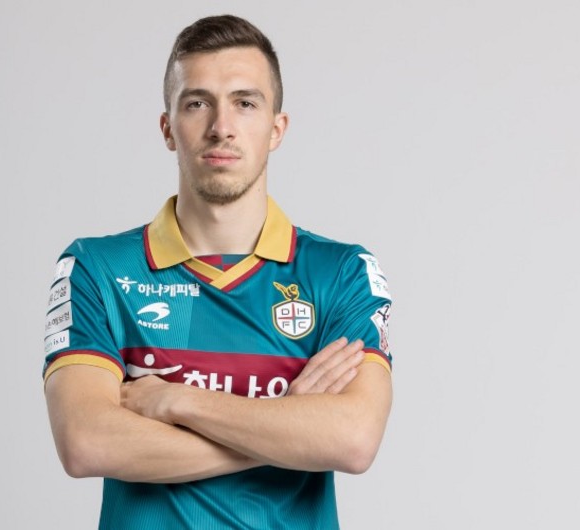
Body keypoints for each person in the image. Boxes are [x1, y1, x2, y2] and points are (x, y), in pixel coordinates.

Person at [43, 14, 393, 529]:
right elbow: (86, 442)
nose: (221, 127)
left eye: (245, 103)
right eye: (197, 103)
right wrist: (286, 423)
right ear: (168, 128)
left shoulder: (341, 272)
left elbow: (353, 439)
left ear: (277, 129)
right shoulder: (97, 269)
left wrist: (177, 400)